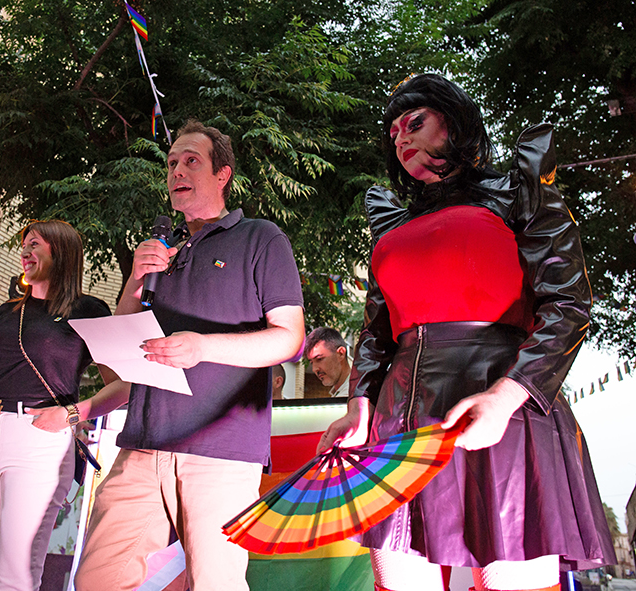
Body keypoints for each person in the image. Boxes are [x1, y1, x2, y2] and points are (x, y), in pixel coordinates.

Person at [318, 74, 614, 591]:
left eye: (415, 122)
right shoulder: (392, 226)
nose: (401, 138)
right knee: (399, 579)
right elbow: (376, 335)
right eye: (393, 133)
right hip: (397, 418)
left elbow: (568, 304)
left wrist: (506, 397)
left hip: (505, 406)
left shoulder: (518, 191)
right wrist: (358, 408)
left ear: (454, 123)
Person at [74, 120, 305, 591]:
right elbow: (121, 352)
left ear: (222, 174)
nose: (177, 170)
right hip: (143, 443)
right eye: (172, 163)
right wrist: (135, 281)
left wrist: (201, 347)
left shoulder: (261, 238)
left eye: (191, 161)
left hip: (221, 451)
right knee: (97, 580)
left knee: (213, 583)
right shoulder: (163, 249)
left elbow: (289, 338)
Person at [0, 220, 127, 591]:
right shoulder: (6, 312)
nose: (25, 252)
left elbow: (122, 386)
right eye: (24, 245)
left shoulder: (88, 310)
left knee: (16, 576)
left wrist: (72, 414)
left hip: (39, 442)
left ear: (60, 251)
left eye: (34, 244)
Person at [304, 327, 352, 397]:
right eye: (311, 362)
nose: (314, 369)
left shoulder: (356, 393)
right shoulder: (343, 392)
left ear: (341, 353)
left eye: (319, 359)